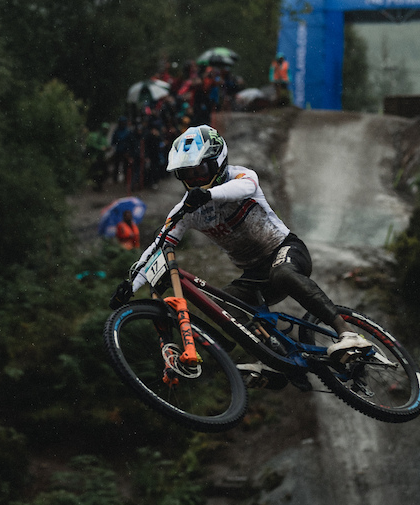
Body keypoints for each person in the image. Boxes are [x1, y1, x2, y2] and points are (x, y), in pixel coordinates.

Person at [109, 125, 372, 389]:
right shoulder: (187, 209)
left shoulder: (242, 177)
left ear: (219, 162)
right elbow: (159, 244)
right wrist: (131, 286)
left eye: (200, 171)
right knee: (221, 305)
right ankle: (275, 360)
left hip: (286, 250)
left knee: (282, 273)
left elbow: (243, 188)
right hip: (254, 275)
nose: (195, 180)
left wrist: (207, 195)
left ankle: (347, 332)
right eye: (187, 174)